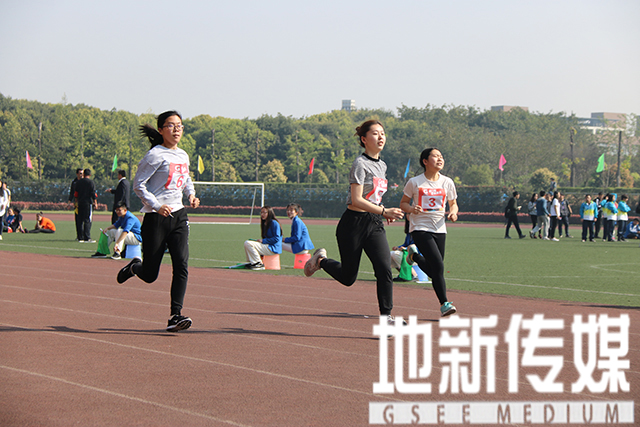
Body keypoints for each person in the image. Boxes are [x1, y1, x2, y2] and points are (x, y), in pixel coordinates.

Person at [303, 120, 404, 324]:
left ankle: (386, 318)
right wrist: (384, 211)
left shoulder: (382, 165)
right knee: (348, 278)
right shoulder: (360, 164)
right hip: (353, 224)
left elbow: (373, 196)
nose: (381, 137)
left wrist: (383, 212)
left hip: (374, 223)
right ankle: (321, 261)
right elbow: (357, 199)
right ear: (364, 139)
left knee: (384, 269)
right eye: (375, 133)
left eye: (383, 133)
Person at [116, 110, 200, 332]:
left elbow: (186, 178)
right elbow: (138, 185)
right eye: (171, 125)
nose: (176, 129)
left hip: (179, 216)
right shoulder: (154, 155)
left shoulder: (183, 155)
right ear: (161, 130)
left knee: (181, 264)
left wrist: (191, 195)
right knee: (150, 274)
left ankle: (175, 315)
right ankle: (135, 267)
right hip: (156, 218)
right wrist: (156, 206)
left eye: (179, 125)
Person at [400, 148, 458, 317]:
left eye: (441, 156)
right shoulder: (415, 182)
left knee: (435, 269)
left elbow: (453, 203)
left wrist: (453, 213)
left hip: (439, 228)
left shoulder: (447, 182)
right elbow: (403, 203)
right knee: (438, 266)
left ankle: (414, 257)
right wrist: (412, 209)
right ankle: (444, 304)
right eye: (435, 156)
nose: (440, 159)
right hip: (420, 227)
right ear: (425, 161)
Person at [243, 206, 282, 270]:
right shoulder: (265, 223)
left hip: (273, 248)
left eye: (264, 212)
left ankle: (258, 263)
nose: (262, 214)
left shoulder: (274, 223)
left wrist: (263, 241)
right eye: (261, 212)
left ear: (269, 213)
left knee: (248, 243)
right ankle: (252, 262)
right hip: (268, 246)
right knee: (247, 243)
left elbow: (276, 239)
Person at [390, 215, 419, 282]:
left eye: (410, 214)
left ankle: (414, 275)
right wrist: (398, 247)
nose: (408, 216)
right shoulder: (409, 232)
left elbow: (418, 246)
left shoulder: (418, 230)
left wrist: (405, 248)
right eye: (407, 214)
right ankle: (403, 275)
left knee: (396, 254)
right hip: (408, 253)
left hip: (417, 255)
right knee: (390, 254)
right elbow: (406, 244)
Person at [74, 168, 98, 242]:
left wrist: (76, 202)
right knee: (87, 220)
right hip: (88, 203)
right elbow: (93, 193)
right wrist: (95, 202)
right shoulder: (91, 182)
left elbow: (76, 194)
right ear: (90, 175)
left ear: (84, 174)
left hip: (80, 203)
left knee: (80, 220)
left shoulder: (78, 182)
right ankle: (87, 237)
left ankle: (80, 237)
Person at [69, 168, 83, 241]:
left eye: (82, 173)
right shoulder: (74, 182)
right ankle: (79, 236)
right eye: (80, 173)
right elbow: (72, 192)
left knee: (85, 220)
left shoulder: (85, 181)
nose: (81, 175)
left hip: (84, 203)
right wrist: (69, 201)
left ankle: (85, 235)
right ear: (77, 174)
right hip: (77, 203)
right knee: (78, 220)